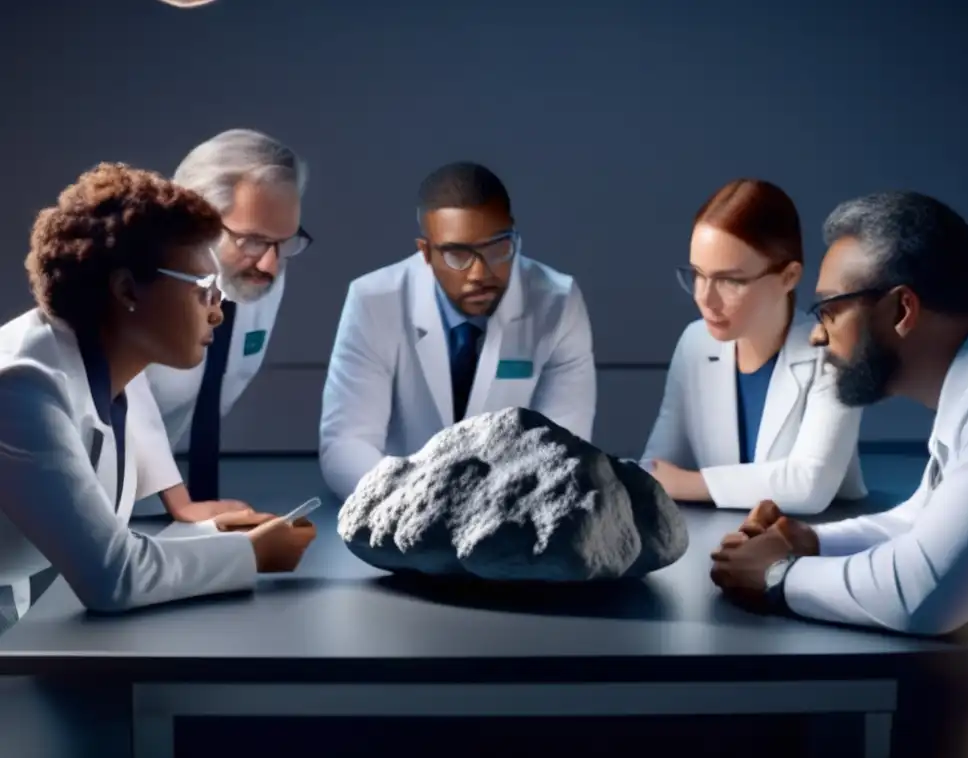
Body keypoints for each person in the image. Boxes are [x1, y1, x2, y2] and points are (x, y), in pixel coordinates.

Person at [0, 163, 316, 635]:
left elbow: (108, 538)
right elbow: (114, 576)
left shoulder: (113, 368)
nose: (217, 314)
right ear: (128, 289)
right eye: (203, 291)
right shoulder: (22, 387)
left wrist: (218, 534)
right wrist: (252, 554)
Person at [709, 190, 968, 644]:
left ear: (901, 310)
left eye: (829, 310)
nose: (817, 336)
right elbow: (922, 521)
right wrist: (807, 541)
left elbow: (922, 594)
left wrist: (777, 576)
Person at [319, 161, 597, 499]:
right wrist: (414, 500)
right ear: (425, 252)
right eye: (457, 254)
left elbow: (565, 444)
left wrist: (502, 503)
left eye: (498, 247)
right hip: (401, 509)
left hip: (512, 510)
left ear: (514, 234)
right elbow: (347, 443)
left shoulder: (557, 301)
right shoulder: (375, 301)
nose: (479, 273)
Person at [641, 179, 866, 515]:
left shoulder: (834, 351)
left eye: (730, 280)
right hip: (714, 540)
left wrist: (686, 484)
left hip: (815, 544)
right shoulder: (695, 343)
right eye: (699, 275)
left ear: (789, 277)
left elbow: (808, 487)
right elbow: (656, 469)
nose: (705, 297)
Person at [142, 129, 311, 504]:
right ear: (194, 223)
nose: (271, 263)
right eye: (251, 240)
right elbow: (118, 417)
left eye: (284, 242)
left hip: (133, 495)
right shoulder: (138, 288)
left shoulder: (260, 274)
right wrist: (184, 509)